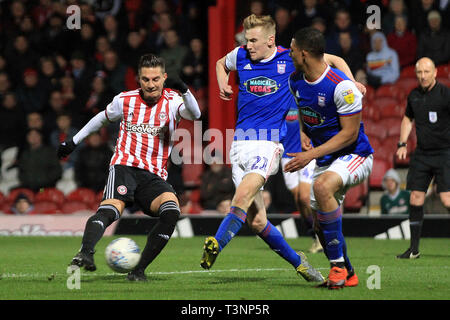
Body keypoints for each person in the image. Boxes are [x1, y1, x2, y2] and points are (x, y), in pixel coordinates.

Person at [200, 14, 325, 284]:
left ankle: (216, 244)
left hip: (267, 144)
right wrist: (222, 81)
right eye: (247, 40)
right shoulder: (240, 55)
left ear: (270, 40)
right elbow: (221, 63)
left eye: (254, 40)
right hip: (239, 144)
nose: (249, 45)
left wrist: (351, 80)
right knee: (256, 222)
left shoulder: (287, 58)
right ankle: (300, 263)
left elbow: (330, 60)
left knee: (242, 195)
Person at [58, 54, 201, 281]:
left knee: (171, 211)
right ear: (139, 79)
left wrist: (184, 88)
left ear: (164, 78)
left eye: (155, 79)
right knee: (110, 210)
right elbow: (101, 119)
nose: (151, 84)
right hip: (124, 166)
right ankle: (85, 253)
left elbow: (195, 114)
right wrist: (74, 141)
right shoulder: (125, 100)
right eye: (145, 79)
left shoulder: (174, 100)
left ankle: (138, 270)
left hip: (154, 174)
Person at [284, 27, 374, 289]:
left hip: (355, 154)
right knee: (319, 225)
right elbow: (304, 106)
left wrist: (308, 155)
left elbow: (348, 135)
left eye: (291, 50)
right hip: (326, 160)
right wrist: (302, 130)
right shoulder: (295, 80)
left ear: (303, 54)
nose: (288, 54)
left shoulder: (342, 88)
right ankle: (350, 273)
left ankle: (335, 268)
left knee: (322, 187)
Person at [396, 57, 450, 259]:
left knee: (447, 199)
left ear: (435, 72)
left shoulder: (445, 94)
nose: (423, 76)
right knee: (415, 197)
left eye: (427, 72)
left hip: (445, 152)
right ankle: (414, 250)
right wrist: (402, 143)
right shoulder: (414, 96)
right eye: (419, 72)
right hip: (422, 154)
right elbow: (408, 119)